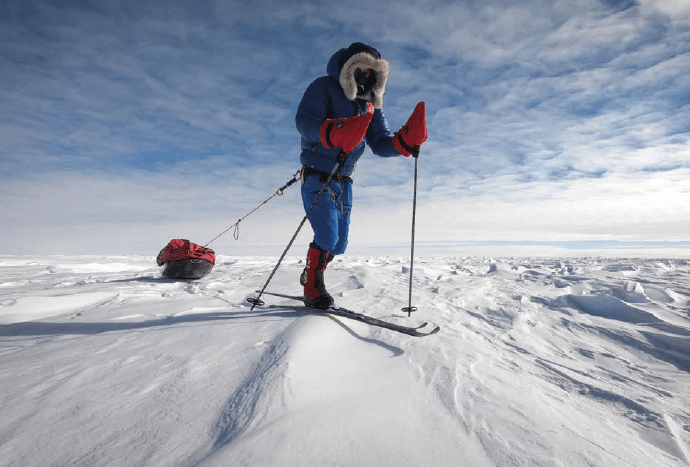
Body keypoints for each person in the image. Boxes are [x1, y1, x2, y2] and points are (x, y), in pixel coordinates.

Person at [295, 42, 427, 309]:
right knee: (327, 236)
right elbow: (305, 121)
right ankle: (312, 287)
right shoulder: (323, 87)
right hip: (317, 174)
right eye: (361, 67)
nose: (367, 74)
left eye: (373, 70)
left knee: (340, 244)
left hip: (345, 179)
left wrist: (403, 143)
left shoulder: (370, 105)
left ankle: (312, 270)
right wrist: (332, 132)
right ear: (349, 67)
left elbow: (379, 141)